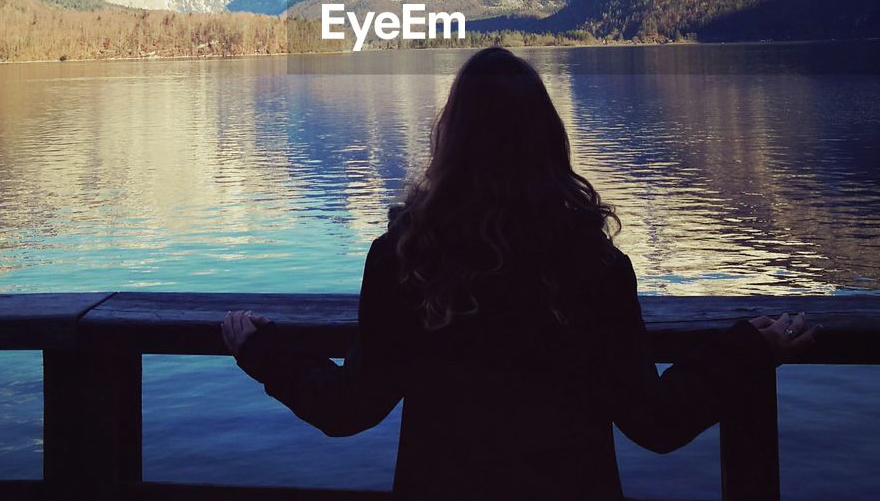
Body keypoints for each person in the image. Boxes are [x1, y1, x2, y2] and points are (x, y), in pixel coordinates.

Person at [223, 46, 817, 500]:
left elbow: (348, 408)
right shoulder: (592, 265)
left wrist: (262, 349)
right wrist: (747, 349)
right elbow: (656, 421)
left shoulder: (407, 261)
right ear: (548, 138)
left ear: (450, 138)